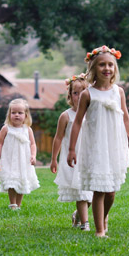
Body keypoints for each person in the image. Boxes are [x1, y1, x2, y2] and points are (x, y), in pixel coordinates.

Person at [67, 45, 129, 237]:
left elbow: (126, 119)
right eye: (101, 65)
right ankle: (100, 230)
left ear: (115, 68)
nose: (106, 68)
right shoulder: (87, 94)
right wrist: (71, 149)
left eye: (110, 64)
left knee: (111, 192)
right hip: (96, 146)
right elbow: (76, 123)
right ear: (93, 69)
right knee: (99, 190)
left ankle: (103, 217)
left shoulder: (119, 92)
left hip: (114, 146)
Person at [50, 74, 93, 231]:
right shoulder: (66, 116)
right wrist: (54, 158)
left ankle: (77, 214)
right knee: (81, 191)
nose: (80, 96)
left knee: (92, 194)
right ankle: (85, 224)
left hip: (90, 157)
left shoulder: (93, 114)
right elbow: (58, 138)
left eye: (84, 92)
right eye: (76, 93)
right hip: (73, 158)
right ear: (70, 96)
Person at [0, 99, 40, 210]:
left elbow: (33, 144)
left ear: (26, 115)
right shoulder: (6, 128)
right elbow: (0, 143)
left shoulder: (27, 130)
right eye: (13, 113)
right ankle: (12, 203)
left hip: (23, 160)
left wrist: (33, 155)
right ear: (9, 114)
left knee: (21, 179)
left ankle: (18, 204)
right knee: (11, 180)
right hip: (9, 160)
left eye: (20, 113)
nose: (16, 115)